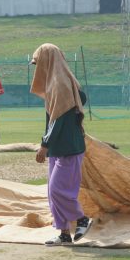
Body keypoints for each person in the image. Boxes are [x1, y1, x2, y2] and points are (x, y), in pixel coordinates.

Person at [30, 43, 93, 246]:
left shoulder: (61, 85)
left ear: (48, 61)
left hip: (68, 148)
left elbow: (57, 119)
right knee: (52, 192)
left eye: (37, 63)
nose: (36, 68)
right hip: (60, 148)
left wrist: (44, 144)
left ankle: (81, 218)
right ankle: (64, 233)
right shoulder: (58, 83)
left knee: (58, 190)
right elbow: (81, 98)